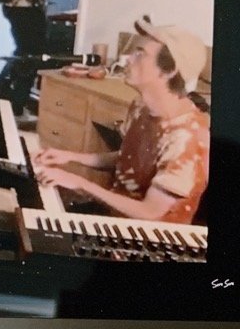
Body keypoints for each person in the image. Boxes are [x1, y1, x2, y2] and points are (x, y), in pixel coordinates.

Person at [33, 19, 209, 224]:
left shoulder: (188, 137)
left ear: (168, 71)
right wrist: (70, 157)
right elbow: (129, 159)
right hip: (115, 218)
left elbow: (152, 213)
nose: (127, 59)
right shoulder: (141, 106)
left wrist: (81, 183)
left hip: (147, 242)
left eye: (140, 54)